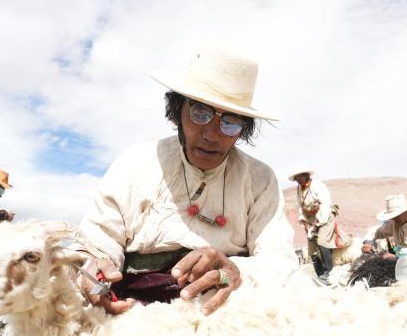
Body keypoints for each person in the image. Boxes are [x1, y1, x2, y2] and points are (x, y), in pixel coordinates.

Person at [79, 45, 296, 316]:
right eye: (200, 113)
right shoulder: (134, 163)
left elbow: (280, 261)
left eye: (230, 122)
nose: (212, 135)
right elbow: (95, 244)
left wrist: (234, 272)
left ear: (242, 130)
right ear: (176, 112)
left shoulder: (259, 180)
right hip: (133, 313)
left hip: (225, 311)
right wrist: (97, 269)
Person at [289, 168, 351, 284]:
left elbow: (325, 204)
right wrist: (305, 223)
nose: (298, 180)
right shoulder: (299, 189)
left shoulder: (318, 186)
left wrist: (318, 223)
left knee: (322, 240)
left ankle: (329, 271)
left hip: (325, 216)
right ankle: (320, 272)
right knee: (312, 247)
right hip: (310, 219)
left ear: (306, 175)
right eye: (296, 178)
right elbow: (301, 206)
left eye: (299, 177)